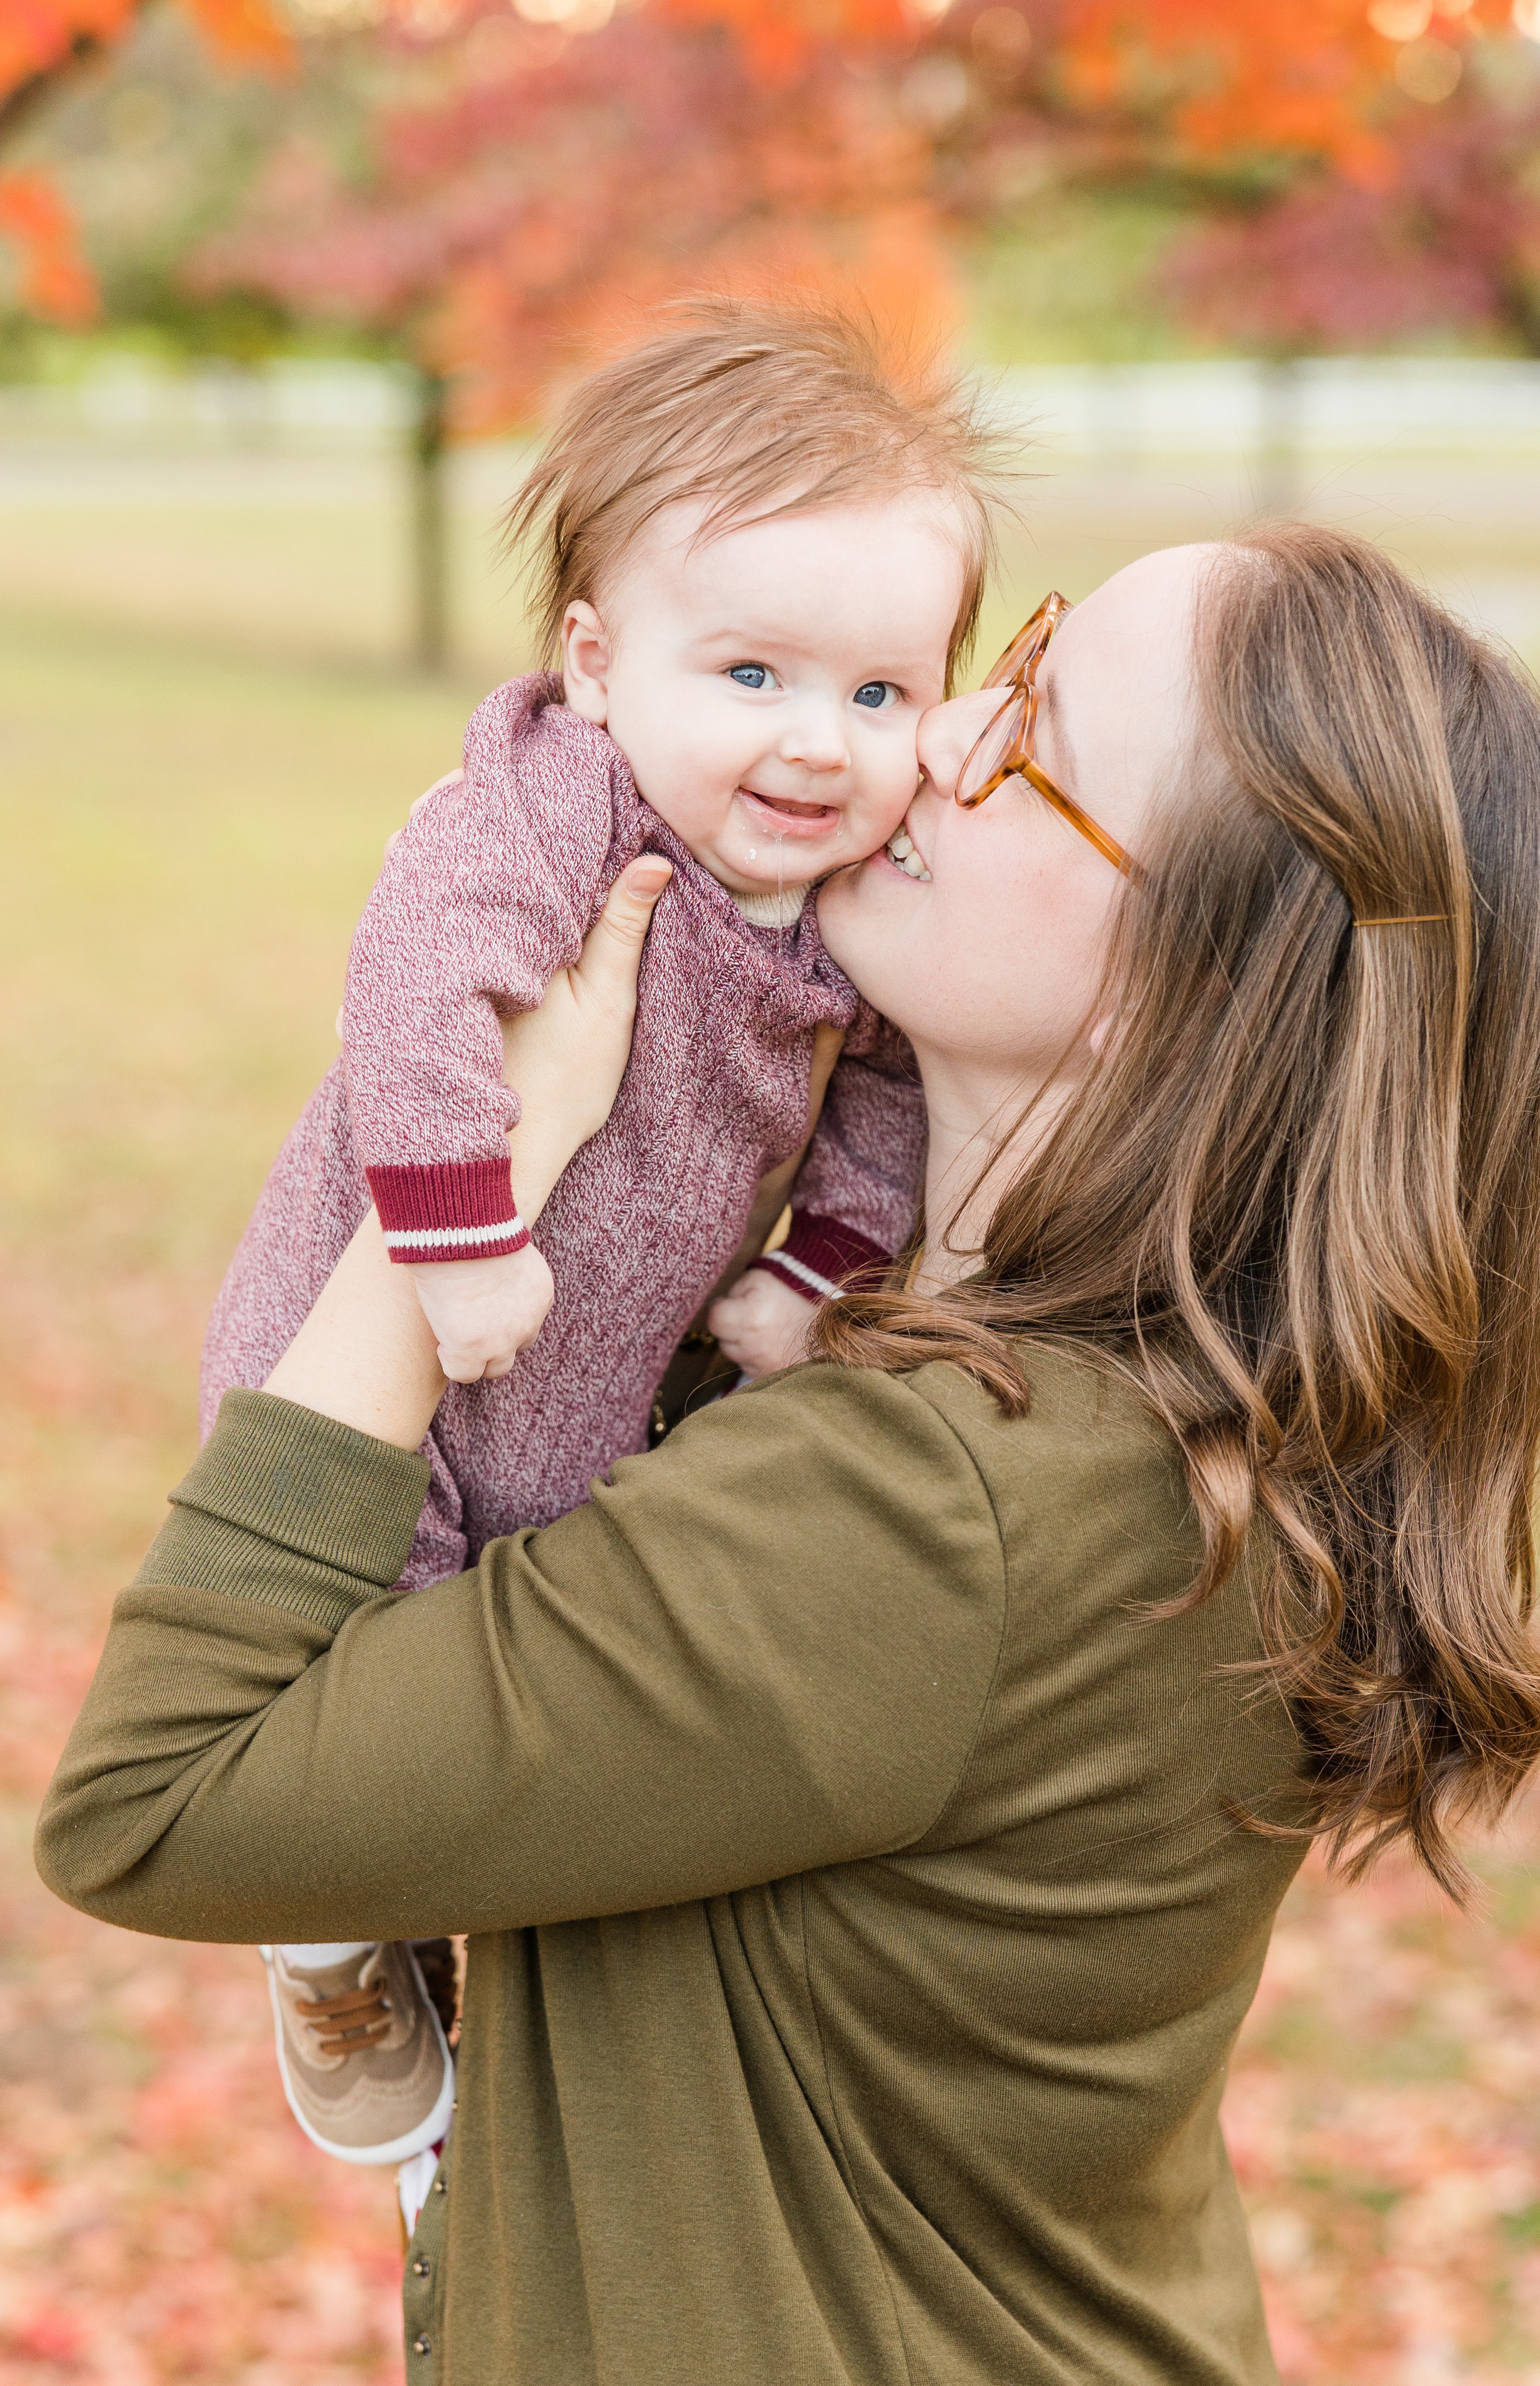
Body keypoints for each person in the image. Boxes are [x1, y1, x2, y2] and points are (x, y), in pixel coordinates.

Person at [37, 525, 1540, 2386]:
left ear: (1192, 989)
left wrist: (464, 1185)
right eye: (1008, 657)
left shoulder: (938, 1507)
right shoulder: (1159, 1403)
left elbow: (162, 1799)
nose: (931, 740)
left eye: (1033, 749)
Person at [199, 299, 1003, 2166]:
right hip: (389, 1333)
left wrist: (822, 1269)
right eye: (752, 676)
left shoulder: (845, 905)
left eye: (879, 697)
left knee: (501, 1695)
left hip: (591, 1396)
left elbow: (887, 1093)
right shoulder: (558, 808)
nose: (818, 746)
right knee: (347, 1674)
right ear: (595, 658)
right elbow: (416, 977)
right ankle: (326, 1942)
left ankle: (483, 2041)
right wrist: (457, 1231)